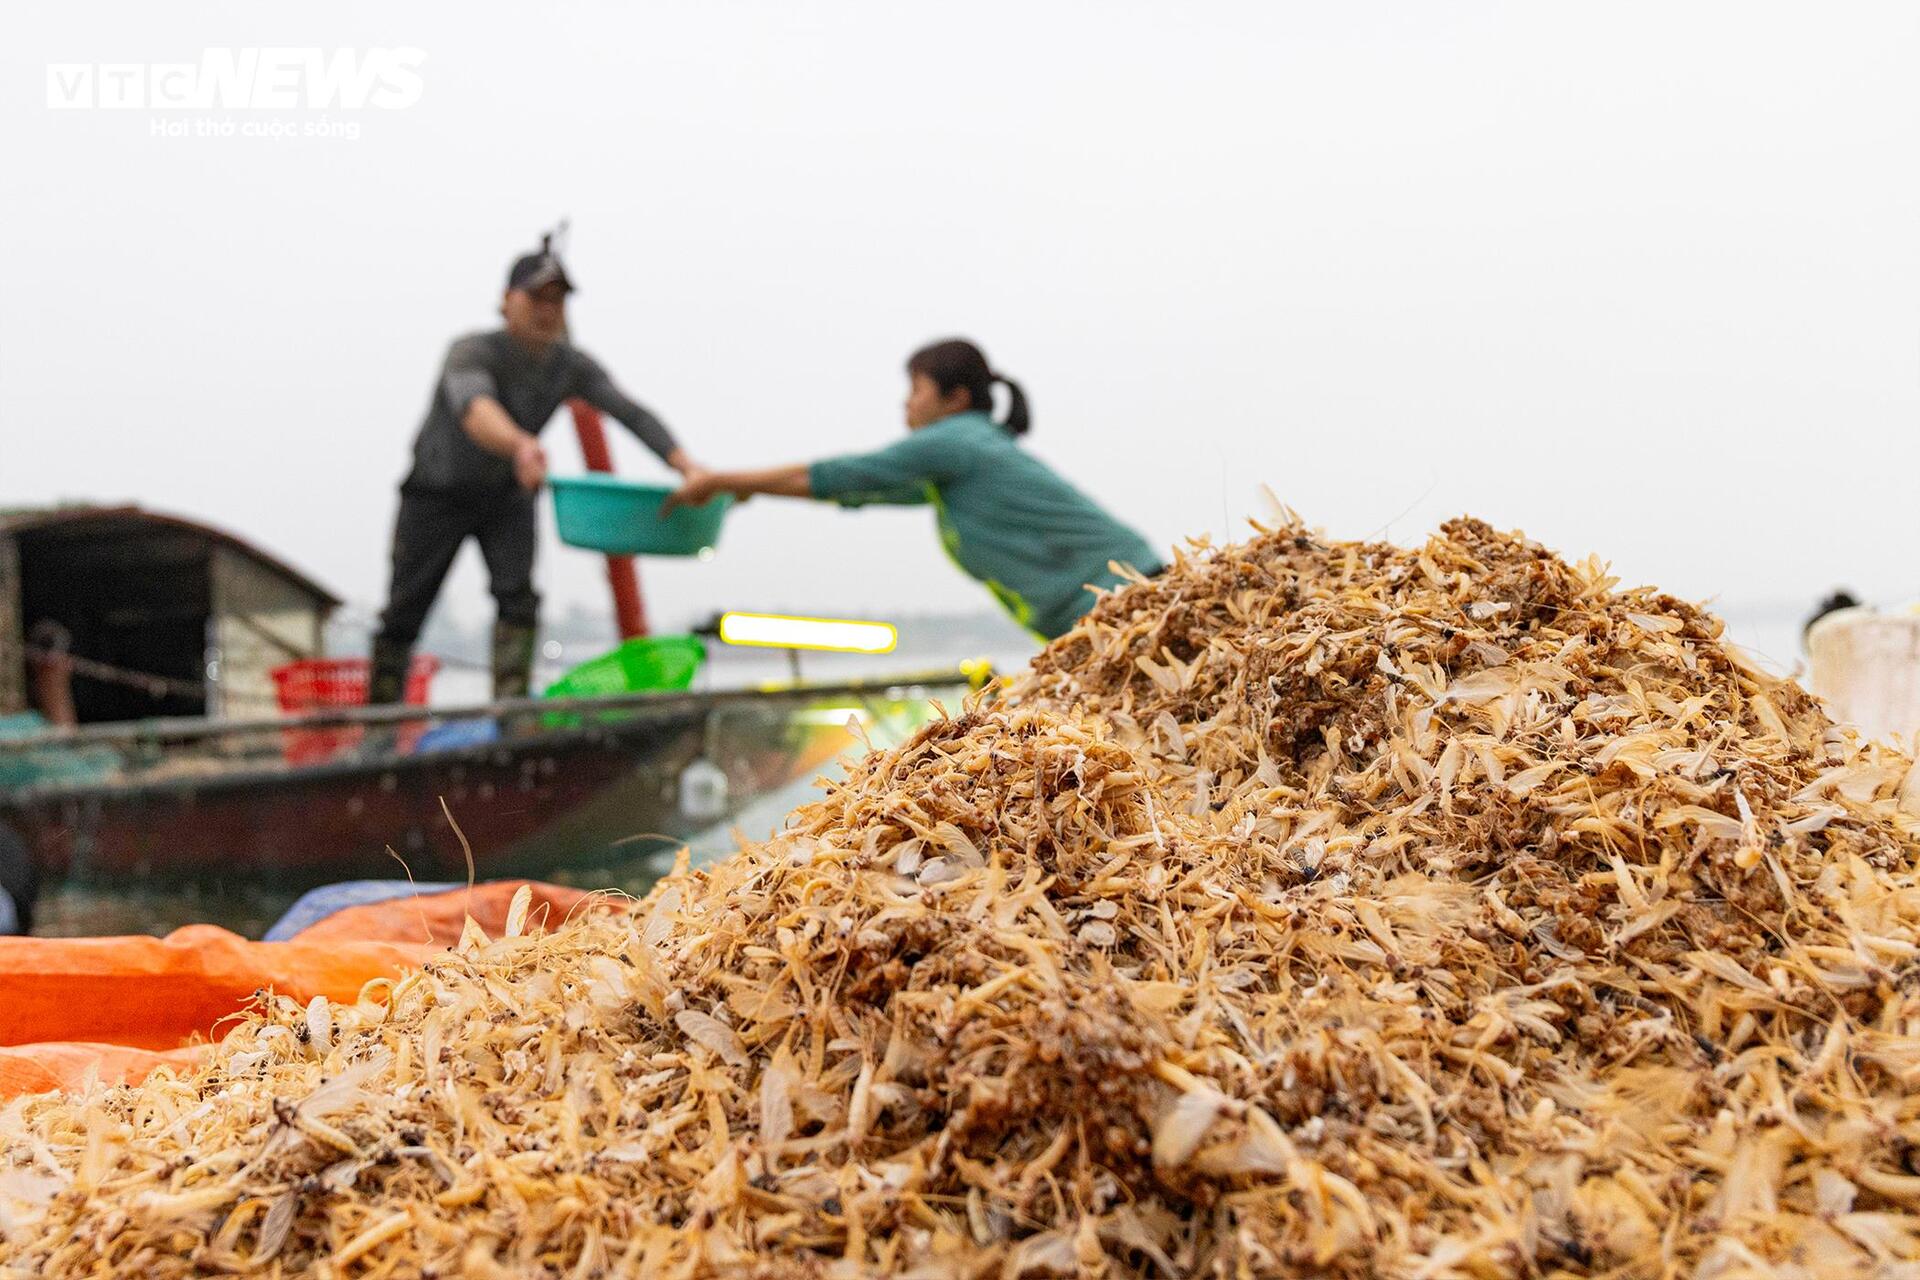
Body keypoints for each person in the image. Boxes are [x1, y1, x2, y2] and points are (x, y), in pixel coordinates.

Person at [369, 238, 707, 702]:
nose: (548, 311)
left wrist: (686, 465)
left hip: (507, 495)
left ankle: (510, 712)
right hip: (437, 492)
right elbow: (475, 410)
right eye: (536, 297)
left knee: (519, 600)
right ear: (508, 300)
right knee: (405, 610)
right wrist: (520, 444)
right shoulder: (472, 351)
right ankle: (380, 718)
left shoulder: (571, 366)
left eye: (558, 300)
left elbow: (631, 413)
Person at [666, 339, 1159, 640]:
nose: (907, 403)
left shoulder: (955, 440)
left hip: (1127, 602)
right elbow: (855, 491)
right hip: (1108, 608)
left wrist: (720, 480)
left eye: (917, 389)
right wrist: (753, 489)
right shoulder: (963, 464)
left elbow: (846, 474)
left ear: (955, 399)